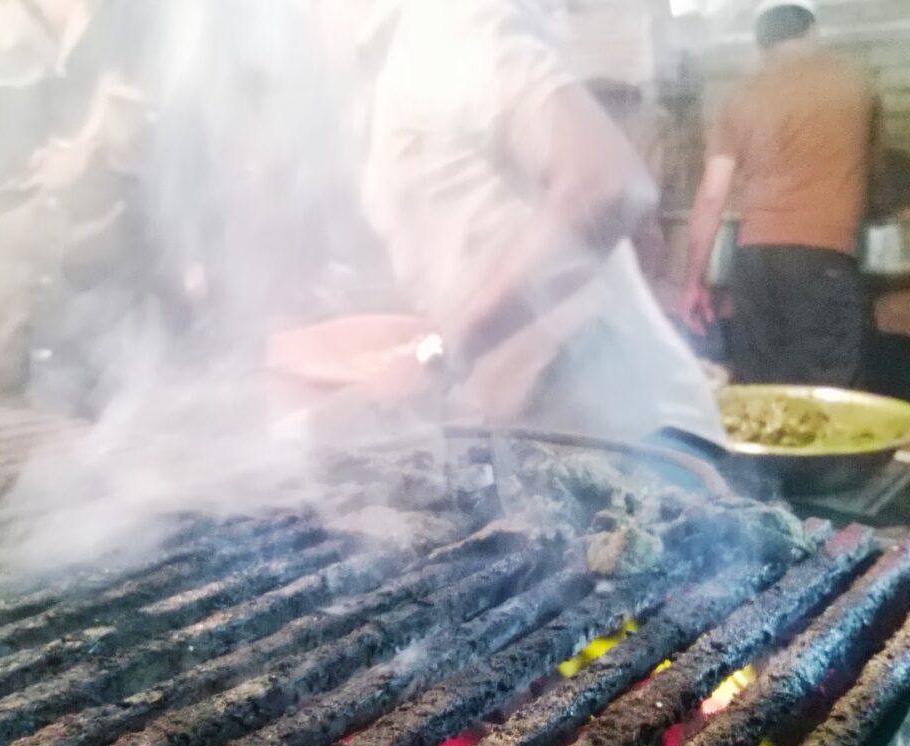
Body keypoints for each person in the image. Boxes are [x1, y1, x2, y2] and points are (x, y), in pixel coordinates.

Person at [311, 0, 725, 447]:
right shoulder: (380, 75)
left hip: (637, 437)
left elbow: (607, 184)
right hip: (551, 435)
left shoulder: (444, 28)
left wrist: (435, 356)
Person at [683, 0, 881, 387]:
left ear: (761, 43)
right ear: (812, 32)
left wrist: (694, 281)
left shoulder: (740, 96)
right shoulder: (858, 83)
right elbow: (874, 178)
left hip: (755, 263)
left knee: (761, 389)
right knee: (825, 390)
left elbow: (711, 197)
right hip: (826, 258)